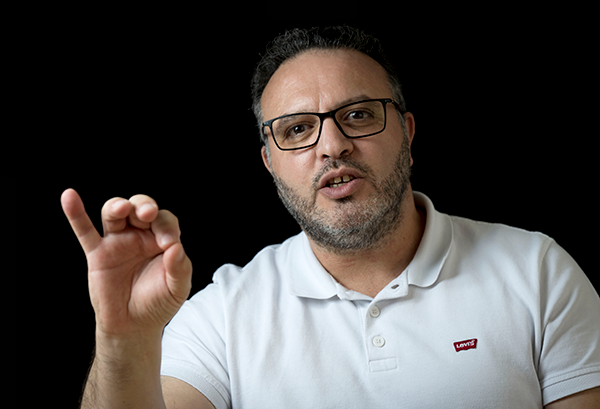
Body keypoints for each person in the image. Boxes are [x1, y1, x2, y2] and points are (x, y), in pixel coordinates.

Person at [62, 26, 600, 409]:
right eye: (297, 129)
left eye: (358, 115)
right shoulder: (222, 314)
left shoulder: (538, 272)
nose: (332, 145)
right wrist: (122, 339)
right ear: (270, 162)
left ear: (407, 133)